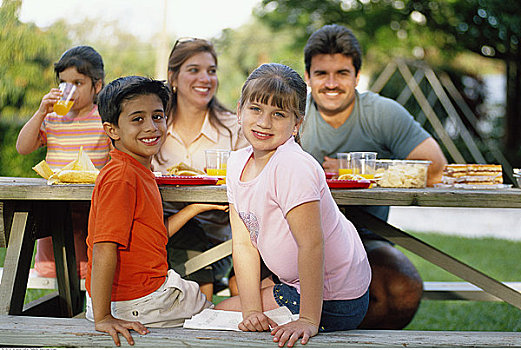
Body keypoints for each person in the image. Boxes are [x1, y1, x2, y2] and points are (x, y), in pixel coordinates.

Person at [301, 24, 448, 329]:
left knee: (402, 290)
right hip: (295, 239)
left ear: (357, 76)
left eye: (342, 73)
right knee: (245, 281)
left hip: (366, 238)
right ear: (307, 77)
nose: (331, 83)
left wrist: (356, 170)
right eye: (321, 74)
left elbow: (435, 168)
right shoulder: (291, 111)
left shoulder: (382, 112)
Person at [215, 63, 372, 347]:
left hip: (334, 298)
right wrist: (251, 311)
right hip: (295, 285)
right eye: (256, 109)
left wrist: (308, 320)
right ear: (239, 111)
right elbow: (244, 244)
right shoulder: (237, 162)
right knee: (234, 316)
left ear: (297, 123)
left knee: (218, 317)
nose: (264, 122)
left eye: (278, 114)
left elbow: (311, 244)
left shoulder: (291, 165)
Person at [86, 76, 217, 347]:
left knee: (207, 301)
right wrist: (103, 317)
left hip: (138, 297)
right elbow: (103, 248)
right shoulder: (122, 176)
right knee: (230, 316)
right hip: (136, 302)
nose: (151, 127)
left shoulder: (137, 170)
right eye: (137, 119)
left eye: (158, 116)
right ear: (112, 130)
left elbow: (153, 234)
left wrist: (196, 208)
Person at [152, 38, 247, 301]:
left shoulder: (235, 128)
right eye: (194, 70)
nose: (205, 78)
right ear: (173, 76)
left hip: (220, 245)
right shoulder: (152, 127)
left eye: (212, 71)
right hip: (161, 240)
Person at [16, 45, 111, 279]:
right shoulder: (52, 118)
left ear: (96, 86)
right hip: (55, 206)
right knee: (52, 271)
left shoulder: (104, 119)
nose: (71, 90)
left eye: (78, 83)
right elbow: (23, 147)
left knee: (91, 270)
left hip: (90, 206)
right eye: (64, 83)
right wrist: (40, 113)